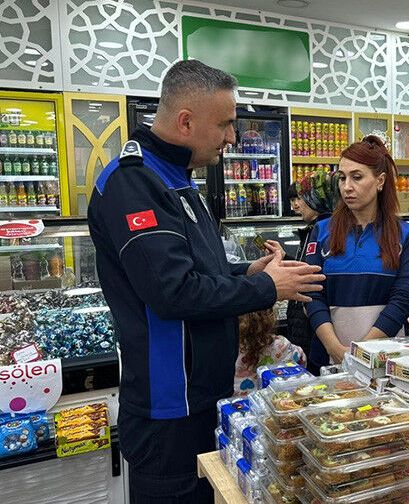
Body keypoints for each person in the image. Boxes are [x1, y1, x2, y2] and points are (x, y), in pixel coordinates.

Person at [87, 60, 324, 503]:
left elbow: (197, 272)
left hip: (201, 397)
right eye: (226, 124)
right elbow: (173, 292)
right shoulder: (133, 184)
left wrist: (247, 272)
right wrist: (268, 288)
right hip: (168, 410)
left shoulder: (178, 180)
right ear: (185, 121)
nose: (232, 138)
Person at [304, 136, 409, 372]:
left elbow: (404, 298)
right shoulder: (321, 230)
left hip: (385, 358)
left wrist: (363, 349)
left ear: (380, 181)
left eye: (357, 177)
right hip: (327, 357)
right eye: (342, 178)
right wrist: (334, 348)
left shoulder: (406, 233)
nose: (347, 186)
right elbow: (310, 293)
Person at [284, 171, 338, 361]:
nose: (296, 205)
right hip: (305, 317)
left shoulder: (323, 230)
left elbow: (315, 277)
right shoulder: (313, 229)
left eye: (300, 197)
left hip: (311, 320)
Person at [234, 308, 306, 396]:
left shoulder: (227, 349)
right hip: (277, 402)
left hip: (237, 406)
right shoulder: (283, 345)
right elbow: (301, 361)